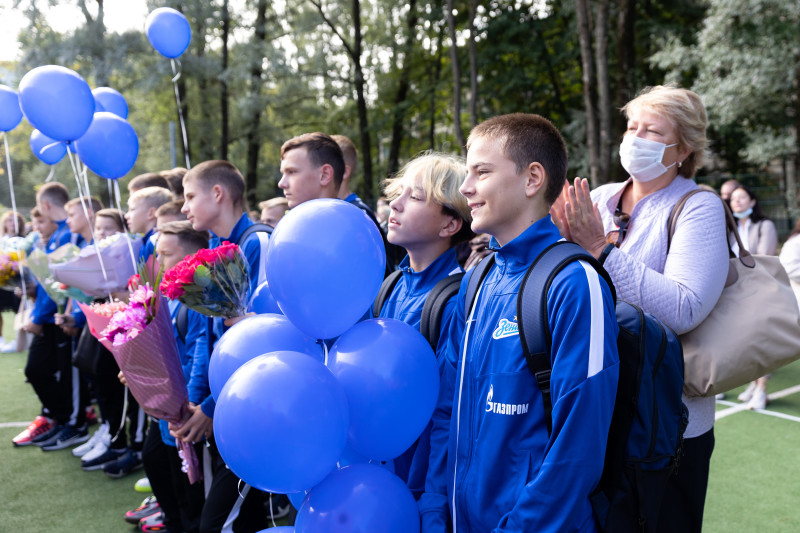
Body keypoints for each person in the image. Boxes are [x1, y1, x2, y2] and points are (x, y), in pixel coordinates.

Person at [420, 113, 620, 532]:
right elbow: (446, 409)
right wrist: (435, 509)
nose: (466, 187)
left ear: (532, 179)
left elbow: (578, 448)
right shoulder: (476, 279)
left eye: (481, 172)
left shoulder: (574, 282)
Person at [550, 85, 729, 533]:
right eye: (632, 127)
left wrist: (598, 247)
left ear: (683, 149)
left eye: (652, 131)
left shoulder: (699, 206)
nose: (635, 138)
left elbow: (684, 308)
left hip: (666, 423)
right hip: (594, 406)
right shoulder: (598, 198)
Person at [180, 160, 274, 532]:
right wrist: (195, 399)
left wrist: (210, 405)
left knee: (218, 524)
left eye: (190, 197)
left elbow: (262, 341)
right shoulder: (216, 247)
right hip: (223, 402)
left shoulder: (256, 242)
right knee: (244, 520)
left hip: (252, 406)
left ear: (217, 193)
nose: (184, 207)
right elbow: (208, 335)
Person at [377, 152, 473, 498]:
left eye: (415, 197)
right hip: (376, 476)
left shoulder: (456, 301)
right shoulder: (390, 286)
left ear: (450, 225)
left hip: (416, 490)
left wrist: (428, 501)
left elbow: (446, 417)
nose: (396, 204)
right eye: (398, 193)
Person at [138, 220, 210, 533]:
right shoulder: (168, 293)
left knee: (191, 490)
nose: (159, 262)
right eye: (157, 254)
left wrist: (189, 402)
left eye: (166, 255)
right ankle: (173, 521)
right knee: (156, 462)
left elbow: (199, 355)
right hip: (169, 407)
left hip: (185, 409)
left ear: (189, 257)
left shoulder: (198, 298)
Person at [22, 183, 87, 450]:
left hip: (61, 317)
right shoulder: (58, 234)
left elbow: (66, 282)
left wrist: (42, 316)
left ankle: (74, 424)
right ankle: (63, 420)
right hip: (55, 316)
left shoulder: (67, 235)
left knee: (67, 375)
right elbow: (49, 281)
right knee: (44, 371)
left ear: (46, 205)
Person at [11, 206, 60, 446]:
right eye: (35, 222)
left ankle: (65, 419)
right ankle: (55, 417)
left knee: (40, 370)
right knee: (41, 371)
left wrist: (38, 318)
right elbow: (45, 286)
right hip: (47, 318)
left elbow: (56, 289)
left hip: (54, 320)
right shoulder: (42, 247)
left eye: (41, 222)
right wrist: (31, 290)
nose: (36, 228)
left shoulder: (61, 243)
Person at [728, 185, 777, 410]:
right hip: (737, 291)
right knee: (745, 341)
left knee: (760, 340)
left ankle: (761, 389)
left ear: (753, 201)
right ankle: (753, 383)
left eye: (742, 197)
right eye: (733, 199)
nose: (737, 202)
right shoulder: (731, 229)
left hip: (759, 289)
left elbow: (765, 258)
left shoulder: (764, 225)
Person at [279, 132, 345, 209]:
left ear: (325, 175)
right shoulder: (351, 214)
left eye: (292, 172)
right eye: (283, 173)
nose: (281, 184)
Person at [126, 186, 174, 265]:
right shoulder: (146, 241)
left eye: (132, 209)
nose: (126, 216)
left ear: (151, 213)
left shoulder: (156, 241)